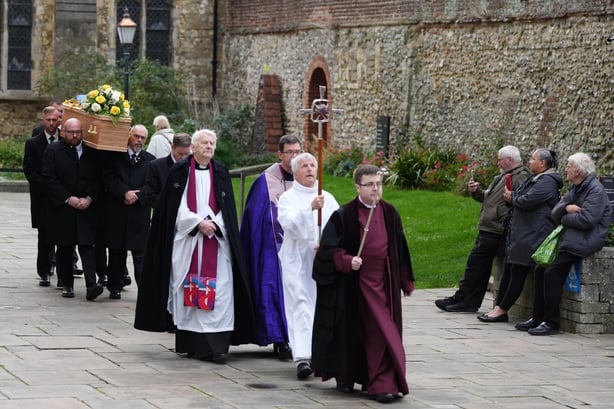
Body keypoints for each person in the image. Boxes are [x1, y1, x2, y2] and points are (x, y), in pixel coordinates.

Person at [134, 129, 256, 364]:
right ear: (194, 146)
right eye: (204, 143)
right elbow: (173, 208)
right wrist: (197, 223)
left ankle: (218, 346)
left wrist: (215, 225)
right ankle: (192, 344)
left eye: (212, 143)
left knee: (220, 291)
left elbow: (228, 210)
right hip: (188, 243)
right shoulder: (179, 172)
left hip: (217, 244)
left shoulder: (220, 171)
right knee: (188, 290)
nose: (209, 146)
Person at [311, 164, 415, 404]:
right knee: (358, 332)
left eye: (378, 184)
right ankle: (352, 376)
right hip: (355, 287)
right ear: (358, 187)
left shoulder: (390, 212)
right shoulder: (344, 215)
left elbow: (399, 248)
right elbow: (327, 250)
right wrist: (347, 260)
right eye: (370, 185)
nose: (376, 189)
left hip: (384, 283)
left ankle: (382, 384)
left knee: (382, 332)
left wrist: (404, 279)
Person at [517, 153, 613, 335]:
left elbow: (587, 220)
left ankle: (552, 322)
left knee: (552, 272)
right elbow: (554, 213)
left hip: (585, 240)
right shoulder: (576, 188)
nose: (566, 169)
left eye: (569, 166)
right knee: (540, 269)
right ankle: (539, 317)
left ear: (577, 170)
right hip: (572, 238)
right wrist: (567, 209)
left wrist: (564, 216)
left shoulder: (595, 190)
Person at [435, 146, 530, 312]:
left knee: (476, 265)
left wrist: (504, 214)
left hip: (497, 230)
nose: (498, 162)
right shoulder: (501, 176)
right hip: (488, 228)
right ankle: (466, 300)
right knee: (478, 267)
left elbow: (520, 201)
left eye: (500, 159)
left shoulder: (520, 176)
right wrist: (477, 192)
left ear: (509, 160)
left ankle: (463, 299)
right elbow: (488, 198)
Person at [478, 148, 563, 323]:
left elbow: (528, 200)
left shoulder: (547, 182)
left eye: (533, 159)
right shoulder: (537, 178)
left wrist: (512, 198)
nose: (529, 161)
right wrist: (514, 198)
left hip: (533, 234)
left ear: (542, 163)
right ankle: (502, 309)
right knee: (512, 270)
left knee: (517, 271)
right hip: (525, 232)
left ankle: (502, 310)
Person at [277, 152, 339, 379]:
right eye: (304, 166)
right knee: (300, 304)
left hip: (322, 260)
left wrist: (327, 244)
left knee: (321, 305)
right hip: (297, 260)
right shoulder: (288, 198)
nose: (310, 169)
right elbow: (288, 224)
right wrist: (310, 208)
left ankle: (322, 354)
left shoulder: (328, 198)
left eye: (313, 165)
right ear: (295, 171)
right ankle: (303, 357)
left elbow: (338, 226)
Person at [240, 134, 302, 360]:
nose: (294, 157)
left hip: (301, 249)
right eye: (290, 153)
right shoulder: (265, 181)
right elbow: (254, 219)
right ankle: (280, 339)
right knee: (274, 291)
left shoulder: (307, 179)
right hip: (272, 247)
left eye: (298, 152)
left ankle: (301, 339)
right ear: (280, 154)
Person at [40, 118, 103, 300]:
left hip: (86, 206)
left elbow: (98, 178)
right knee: (65, 247)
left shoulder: (92, 151)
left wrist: (89, 198)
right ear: (63, 132)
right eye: (70, 132)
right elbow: (49, 178)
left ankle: (91, 284)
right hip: (63, 207)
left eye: (77, 132)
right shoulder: (53, 150)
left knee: (87, 245)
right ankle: (67, 284)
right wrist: (68, 198)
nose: (74, 135)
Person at [101, 124, 155, 299]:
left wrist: (138, 195)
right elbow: (109, 177)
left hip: (139, 213)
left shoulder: (151, 160)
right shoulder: (115, 156)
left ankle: (145, 289)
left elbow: (152, 184)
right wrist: (124, 192)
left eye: (142, 138)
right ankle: (114, 286)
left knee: (141, 253)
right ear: (129, 135)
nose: (139, 140)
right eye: (136, 136)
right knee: (117, 251)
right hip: (118, 210)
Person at [23, 106, 61, 287]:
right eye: (49, 120)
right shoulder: (33, 144)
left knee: (64, 236)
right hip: (43, 197)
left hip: (63, 197)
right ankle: (44, 271)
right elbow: (29, 171)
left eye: (55, 120)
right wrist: (49, 186)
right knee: (44, 235)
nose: (52, 123)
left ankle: (63, 272)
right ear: (43, 120)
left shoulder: (67, 139)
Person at [142, 132, 192, 209]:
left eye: (187, 154)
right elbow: (150, 195)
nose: (183, 158)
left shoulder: (193, 167)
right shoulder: (156, 166)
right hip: (164, 215)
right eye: (180, 154)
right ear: (172, 147)